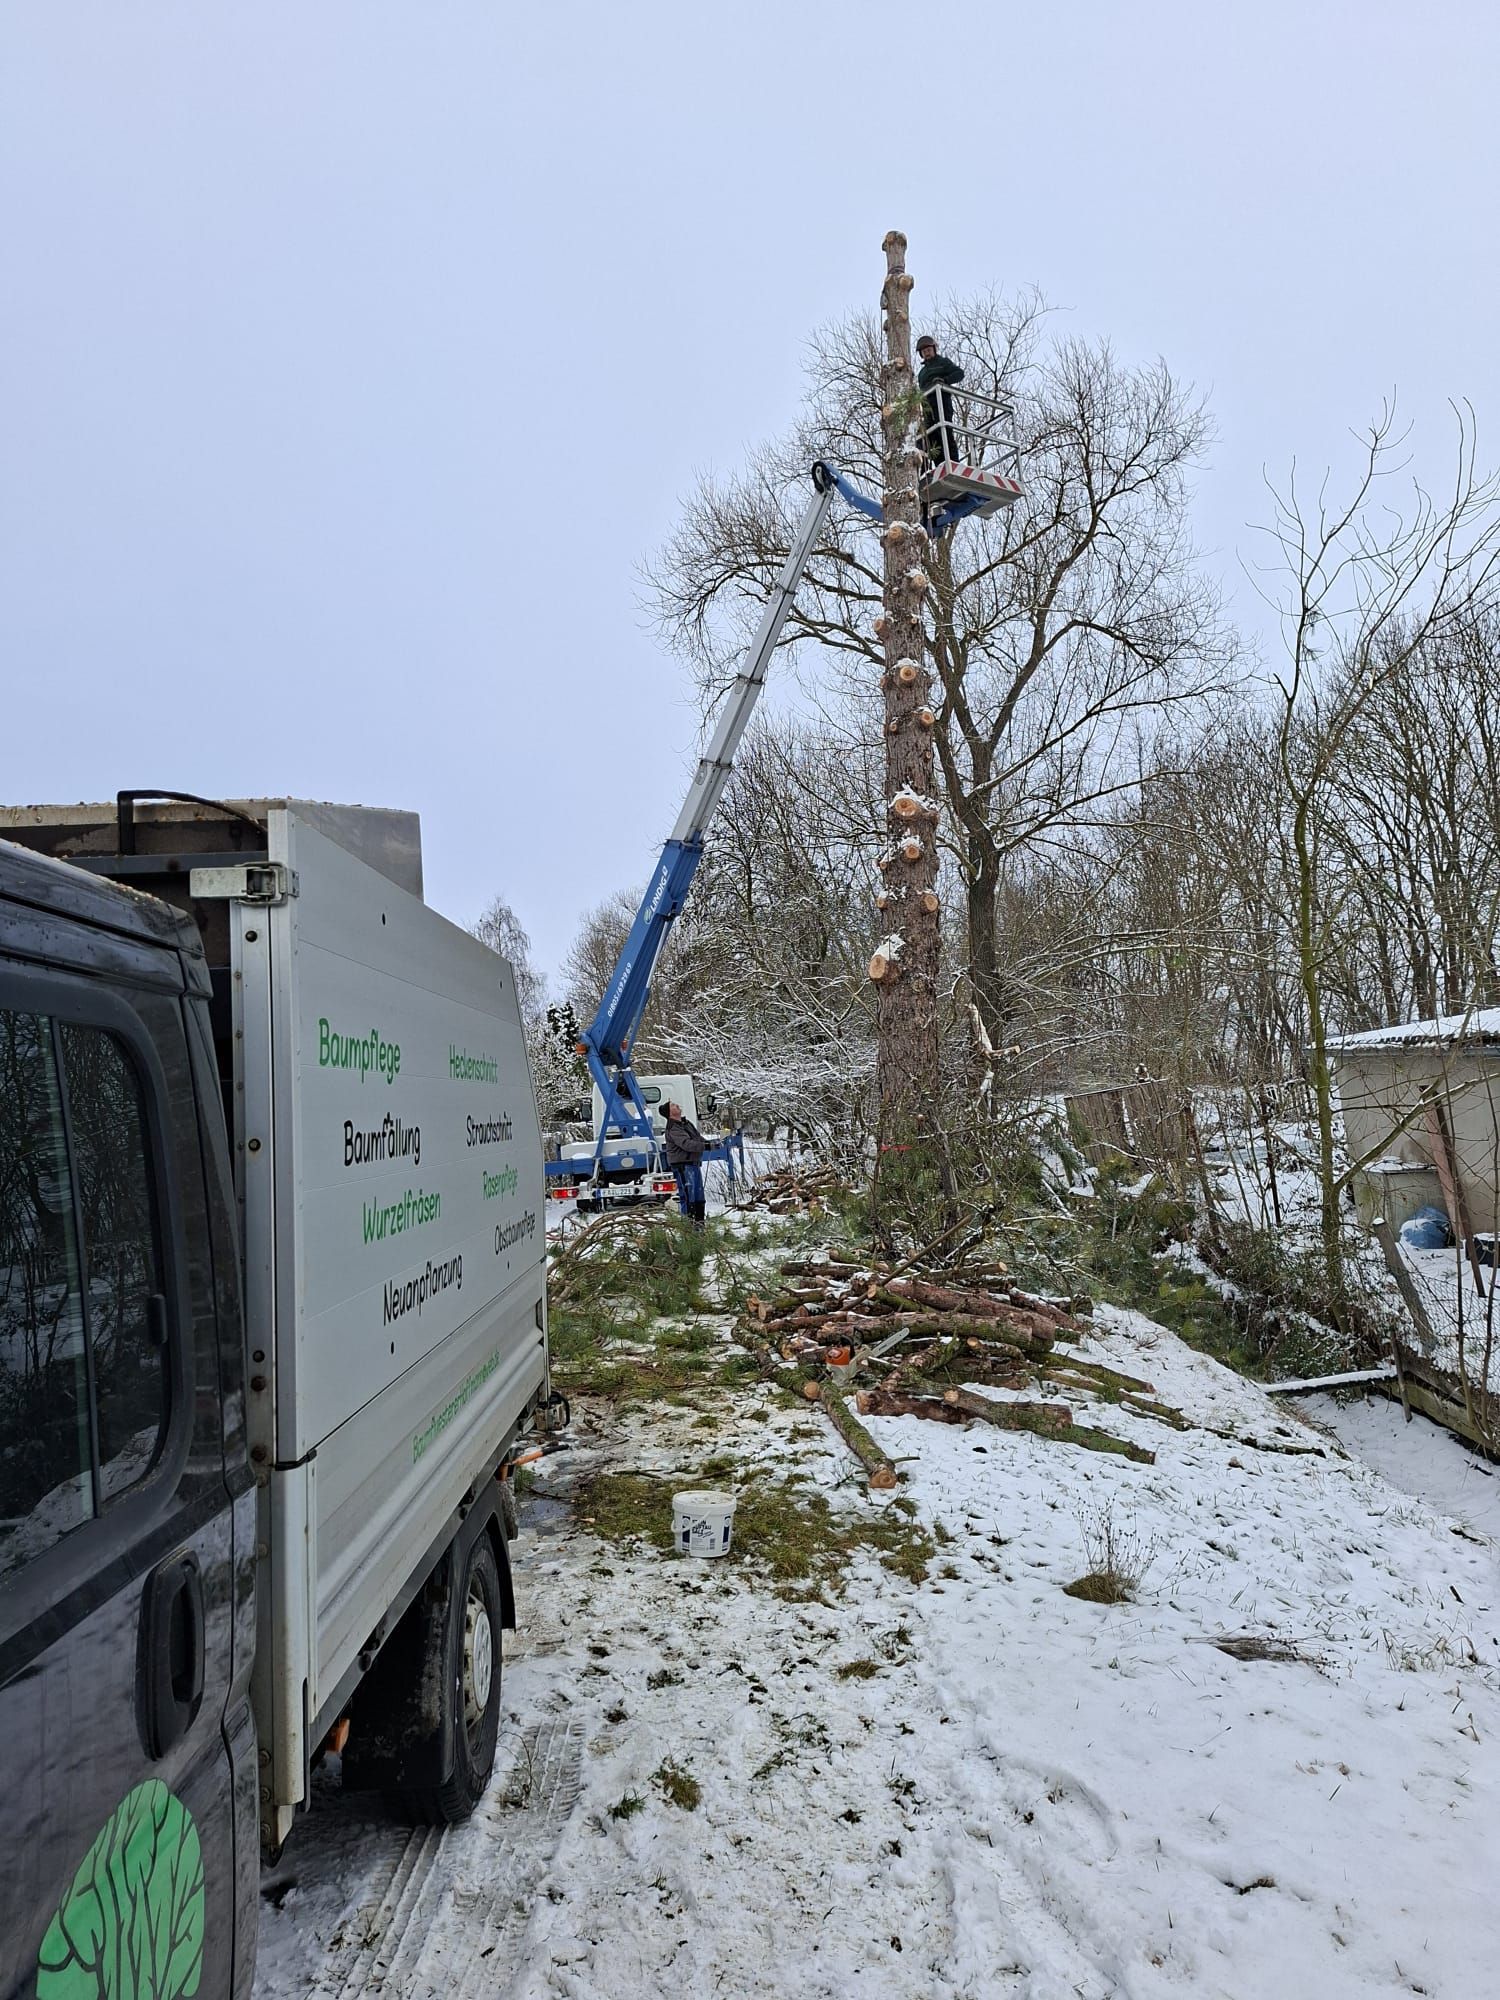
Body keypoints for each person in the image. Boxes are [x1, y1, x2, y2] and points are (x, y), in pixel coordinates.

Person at [916, 334, 964, 467]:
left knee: (944, 431)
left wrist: (945, 381)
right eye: (924, 352)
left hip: (941, 401)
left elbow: (959, 373)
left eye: (929, 350)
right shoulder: (922, 373)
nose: (927, 353)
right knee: (930, 435)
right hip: (927, 405)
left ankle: (953, 463)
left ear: (934, 350)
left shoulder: (943, 362)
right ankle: (938, 465)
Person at [662, 1100, 707, 1228]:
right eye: (672, 1106)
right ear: (669, 1113)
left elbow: (697, 1138)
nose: (677, 1105)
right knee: (688, 1197)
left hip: (693, 1164)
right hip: (683, 1166)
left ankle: (700, 1227)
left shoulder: (686, 1124)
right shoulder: (673, 1128)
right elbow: (686, 1144)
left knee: (699, 1197)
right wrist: (705, 1147)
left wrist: (709, 1144)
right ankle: (689, 1229)